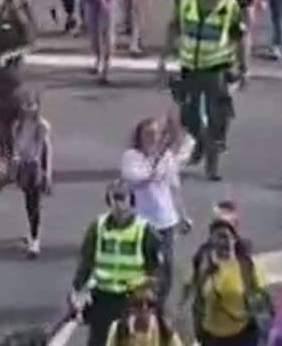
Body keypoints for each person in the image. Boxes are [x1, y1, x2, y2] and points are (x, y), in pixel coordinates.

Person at [159, 0, 247, 181]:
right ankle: (201, 139)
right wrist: (163, 58)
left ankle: (212, 164)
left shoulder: (229, 6)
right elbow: (174, 27)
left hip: (216, 69)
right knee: (188, 116)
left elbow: (240, 38)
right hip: (189, 68)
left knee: (218, 117)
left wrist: (243, 67)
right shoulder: (187, 0)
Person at [70, 181, 164, 346]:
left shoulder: (145, 229)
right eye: (115, 198)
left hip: (131, 300)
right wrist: (77, 290)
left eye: (123, 198)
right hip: (103, 298)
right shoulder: (97, 227)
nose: (119, 204)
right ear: (109, 201)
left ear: (131, 201)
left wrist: (151, 298)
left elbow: (156, 269)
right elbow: (86, 261)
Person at [119, 116, 192, 306]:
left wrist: (183, 215)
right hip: (142, 222)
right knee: (145, 264)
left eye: (156, 134)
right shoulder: (131, 158)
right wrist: (157, 158)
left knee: (166, 265)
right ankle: (140, 301)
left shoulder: (166, 158)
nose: (153, 138)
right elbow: (139, 179)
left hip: (166, 219)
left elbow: (173, 187)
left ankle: (159, 303)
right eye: (148, 134)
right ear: (140, 137)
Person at [184, 214, 272, 346]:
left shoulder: (247, 264)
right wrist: (204, 275)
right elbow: (188, 293)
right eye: (217, 237)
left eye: (226, 237)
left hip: (244, 336)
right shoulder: (203, 264)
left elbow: (264, 297)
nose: (222, 242)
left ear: (235, 239)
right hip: (212, 338)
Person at [12, 93, 52, 257]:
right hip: (23, 166)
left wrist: (47, 173)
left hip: (36, 168)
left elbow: (47, 150)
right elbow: (16, 145)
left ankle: (35, 239)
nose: (28, 108)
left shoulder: (42, 126)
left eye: (32, 105)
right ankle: (31, 231)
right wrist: (15, 159)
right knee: (28, 202)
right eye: (25, 105)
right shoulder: (17, 126)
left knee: (34, 203)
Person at [102, 282, 183, 346]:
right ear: (129, 307)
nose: (144, 309)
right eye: (138, 304)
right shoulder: (118, 329)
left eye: (150, 304)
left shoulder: (164, 329)